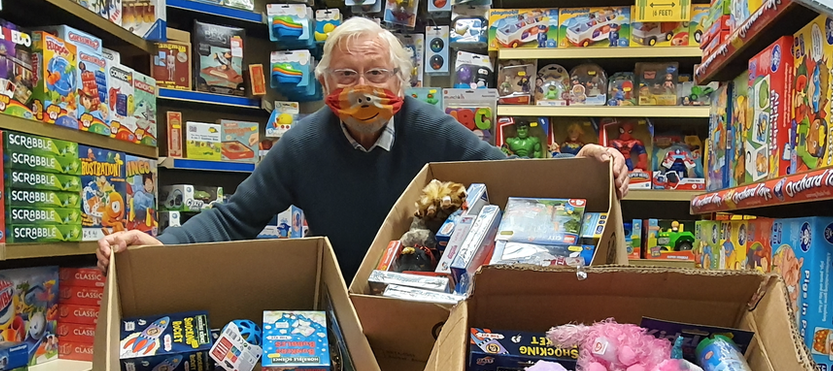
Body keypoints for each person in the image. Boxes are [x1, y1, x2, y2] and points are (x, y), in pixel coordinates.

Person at [97, 17, 630, 276]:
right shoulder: (303, 143)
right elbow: (237, 216)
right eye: (347, 74)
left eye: (377, 73)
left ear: (401, 83)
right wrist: (163, 245)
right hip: (348, 291)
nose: (363, 89)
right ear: (326, 85)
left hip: (425, 286)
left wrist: (576, 164)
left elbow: (509, 175)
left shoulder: (433, 130)